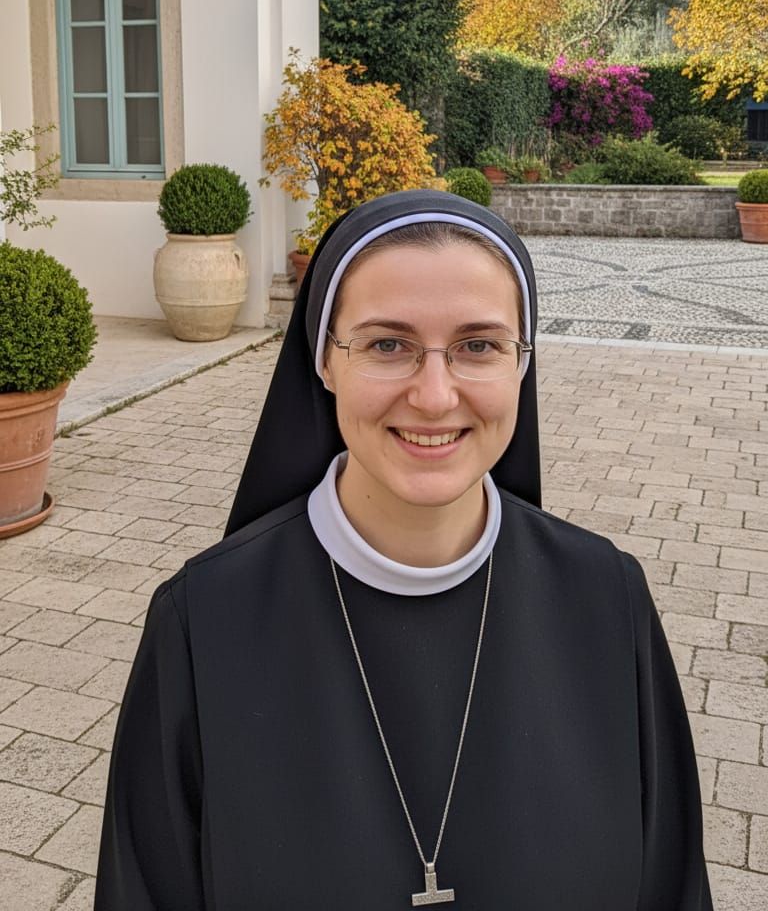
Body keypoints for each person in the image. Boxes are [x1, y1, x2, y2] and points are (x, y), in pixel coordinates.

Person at [95, 190, 713, 910]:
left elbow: (672, 885)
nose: (434, 394)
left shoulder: (607, 596)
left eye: (478, 345)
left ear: (522, 365)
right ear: (324, 361)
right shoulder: (203, 617)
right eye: (388, 344)